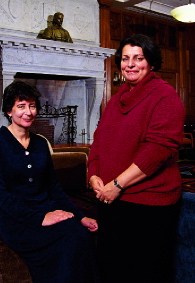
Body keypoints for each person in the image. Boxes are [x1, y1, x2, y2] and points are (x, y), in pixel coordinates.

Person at [88, 34, 185, 283]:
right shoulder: (115, 99)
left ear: (151, 62)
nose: (130, 64)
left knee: (142, 272)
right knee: (110, 266)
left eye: (138, 58)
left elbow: (158, 151)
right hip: (109, 198)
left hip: (147, 204)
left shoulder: (165, 96)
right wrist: (94, 175)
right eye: (125, 58)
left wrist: (117, 185)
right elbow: (98, 140)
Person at [0, 80, 100, 283]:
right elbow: (0, 196)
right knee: (70, 241)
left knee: (81, 234)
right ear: (9, 110)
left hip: (48, 211)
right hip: (18, 223)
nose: (28, 112)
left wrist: (80, 216)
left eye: (32, 105)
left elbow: (53, 187)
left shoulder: (40, 143)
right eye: (21, 106)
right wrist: (40, 218)